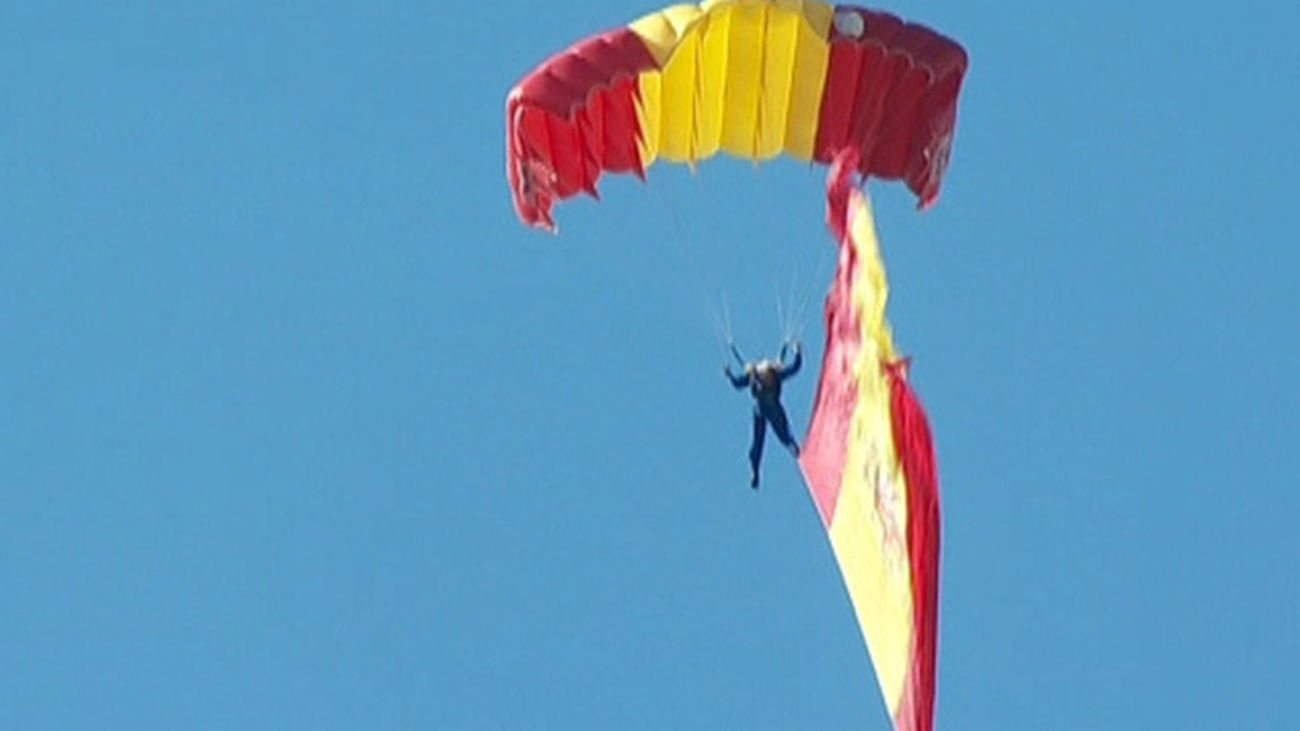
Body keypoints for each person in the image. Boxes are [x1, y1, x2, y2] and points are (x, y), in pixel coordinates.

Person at [724, 341, 802, 488]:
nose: (766, 378)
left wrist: (798, 352)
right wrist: (730, 375)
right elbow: (738, 384)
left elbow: (795, 368)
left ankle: (791, 445)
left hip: (774, 408)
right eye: (764, 375)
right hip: (760, 411)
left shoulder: (777, 375)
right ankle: (755, 471)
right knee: (757, 444)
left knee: (782, 430)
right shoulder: (754, 377)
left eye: (767, 375)